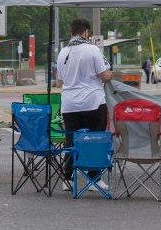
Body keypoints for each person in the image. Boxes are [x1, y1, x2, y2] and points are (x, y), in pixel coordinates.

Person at [56, 17, 112, 192]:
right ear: (86, 32)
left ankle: (67, 179)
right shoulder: (93, 50)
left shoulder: (62, 52)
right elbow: (104, 75)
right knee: (96, 139)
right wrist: (109, 76)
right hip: (93, 102)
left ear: (71, 32)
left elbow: (59, 81)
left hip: (69, 104)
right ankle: (94, 178)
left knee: (71, 141)